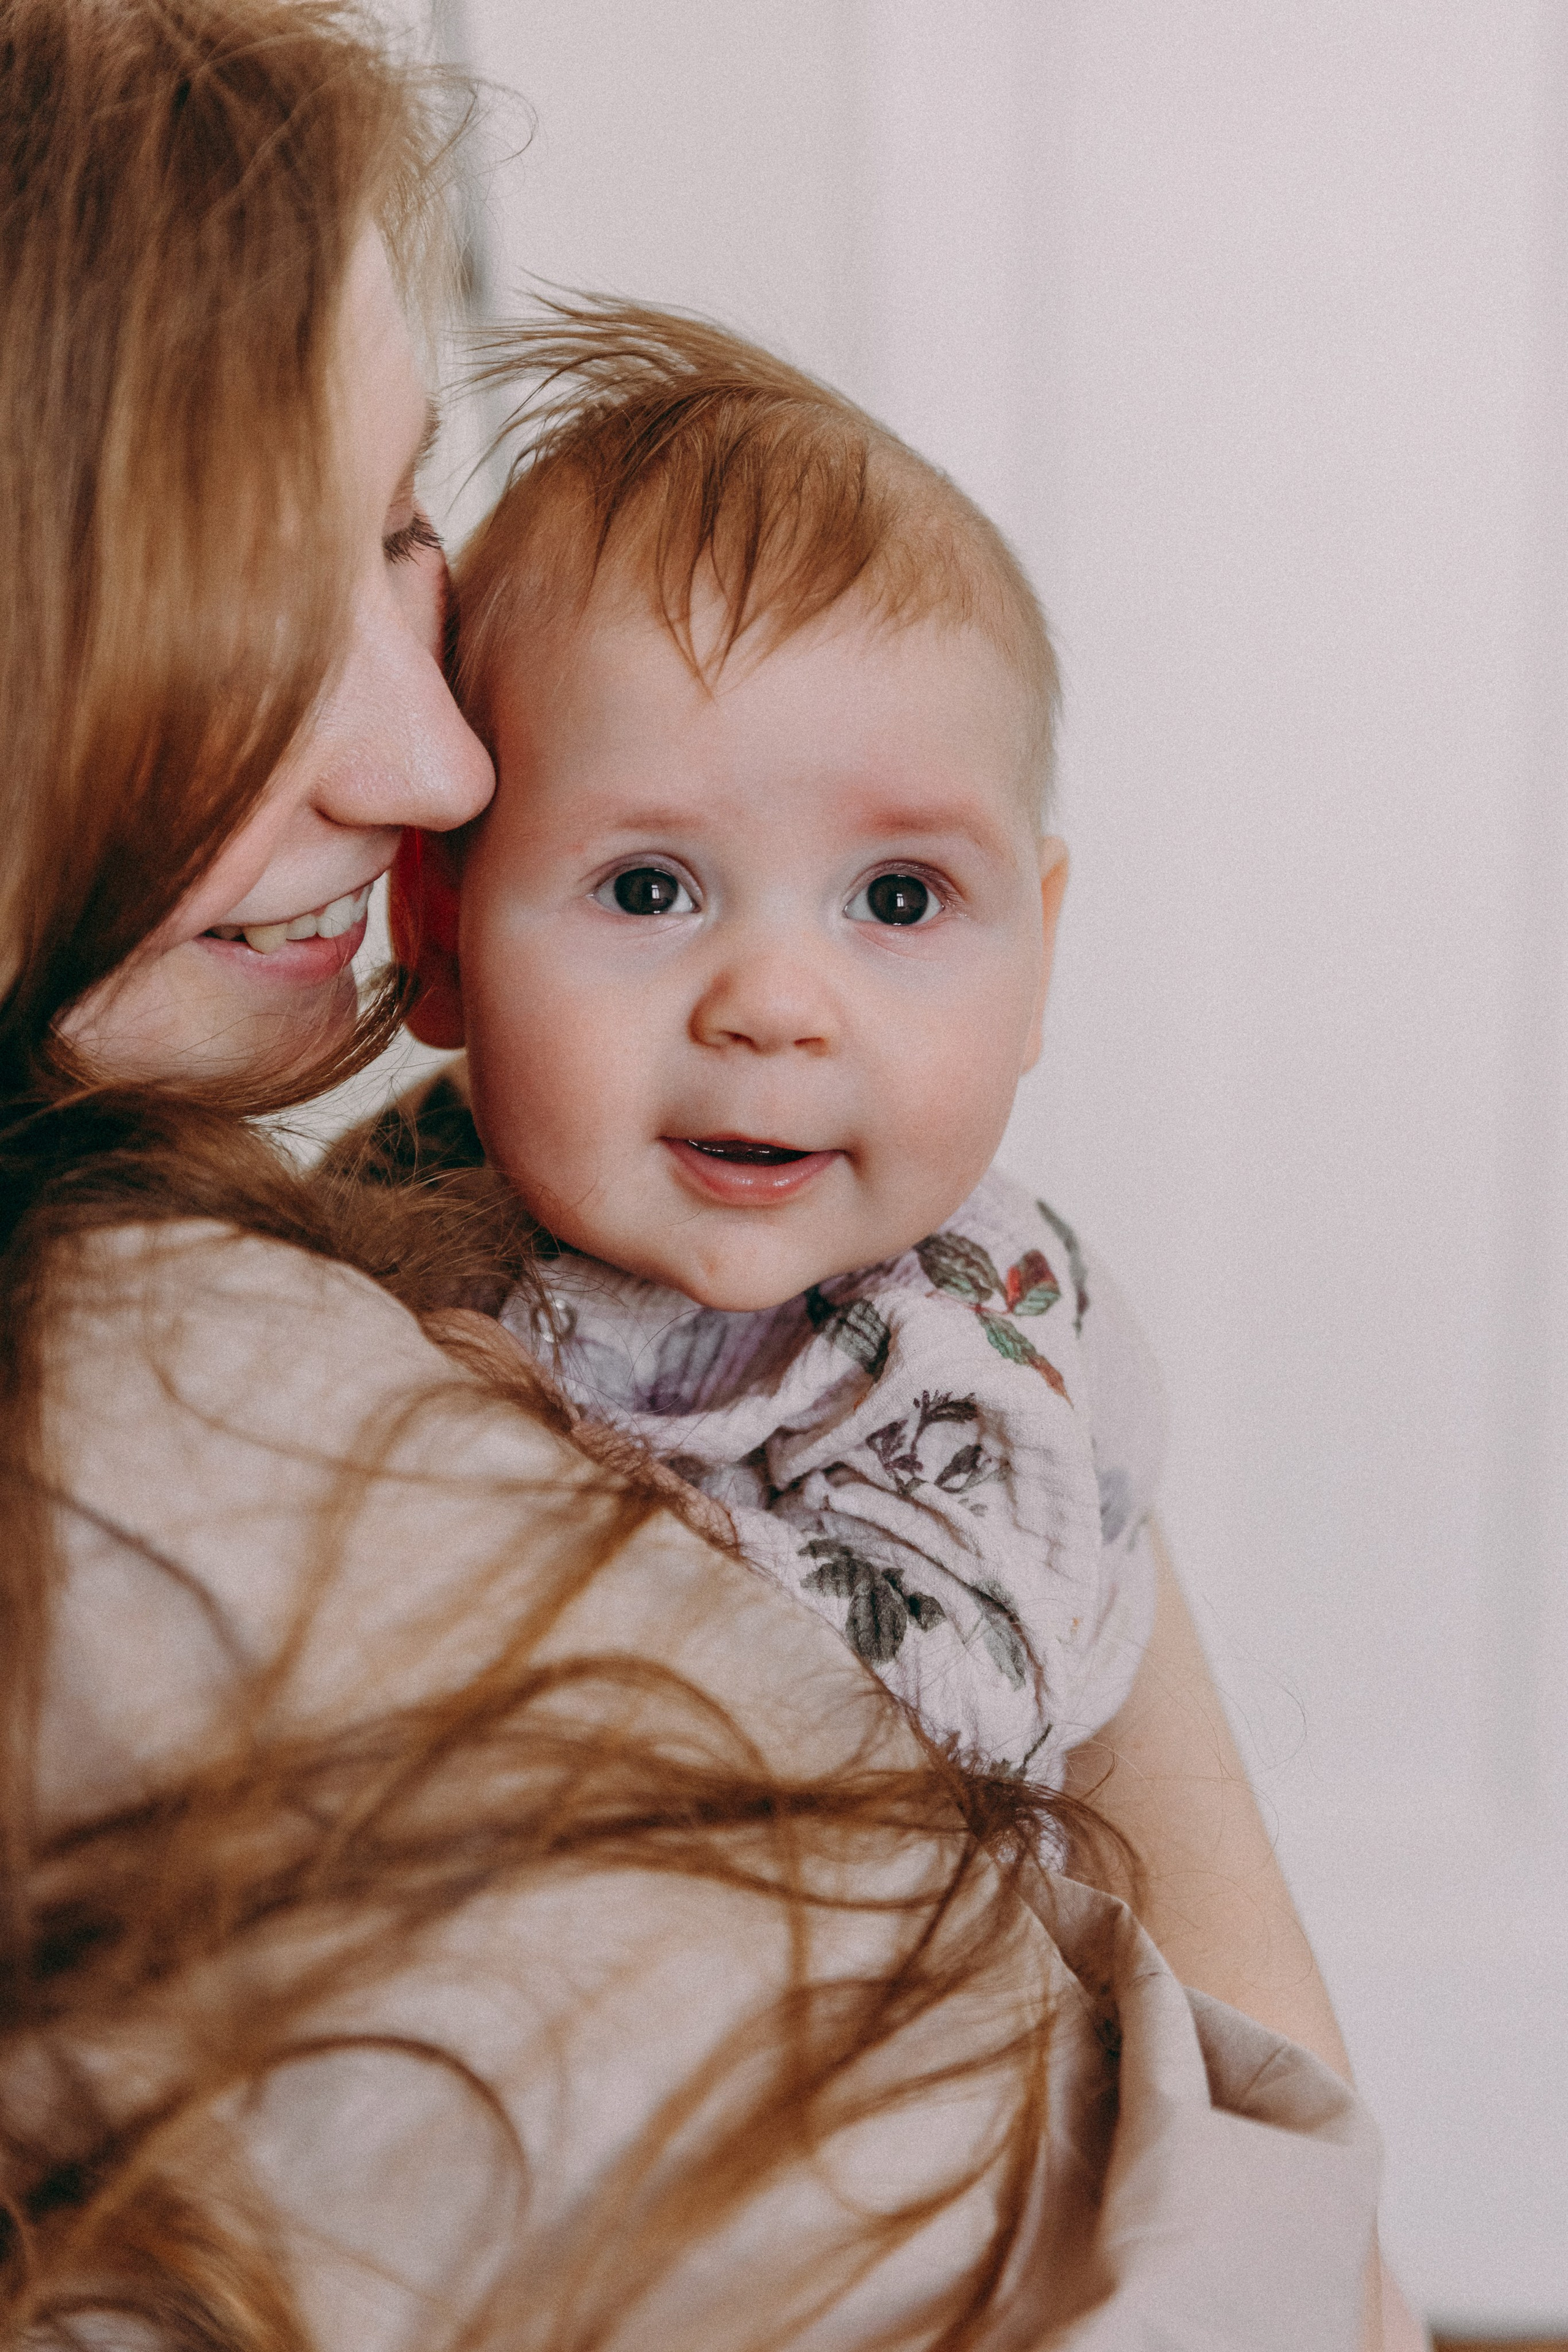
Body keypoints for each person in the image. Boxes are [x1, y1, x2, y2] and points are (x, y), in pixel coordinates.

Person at [0, 0, 1390, 2343]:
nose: (439, 756)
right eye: (644, 888)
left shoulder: (1012, 1357)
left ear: (1048, 948)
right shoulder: (220, 1370)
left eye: (407, 525)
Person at [387, 308, 1159, 1819]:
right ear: (441, 931)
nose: (774, 1009)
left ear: (1038, 959)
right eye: (647, 889)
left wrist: (528, 1498)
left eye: (895, 900)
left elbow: (953, 1718)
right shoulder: (418, 1180)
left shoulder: (974, 1330)